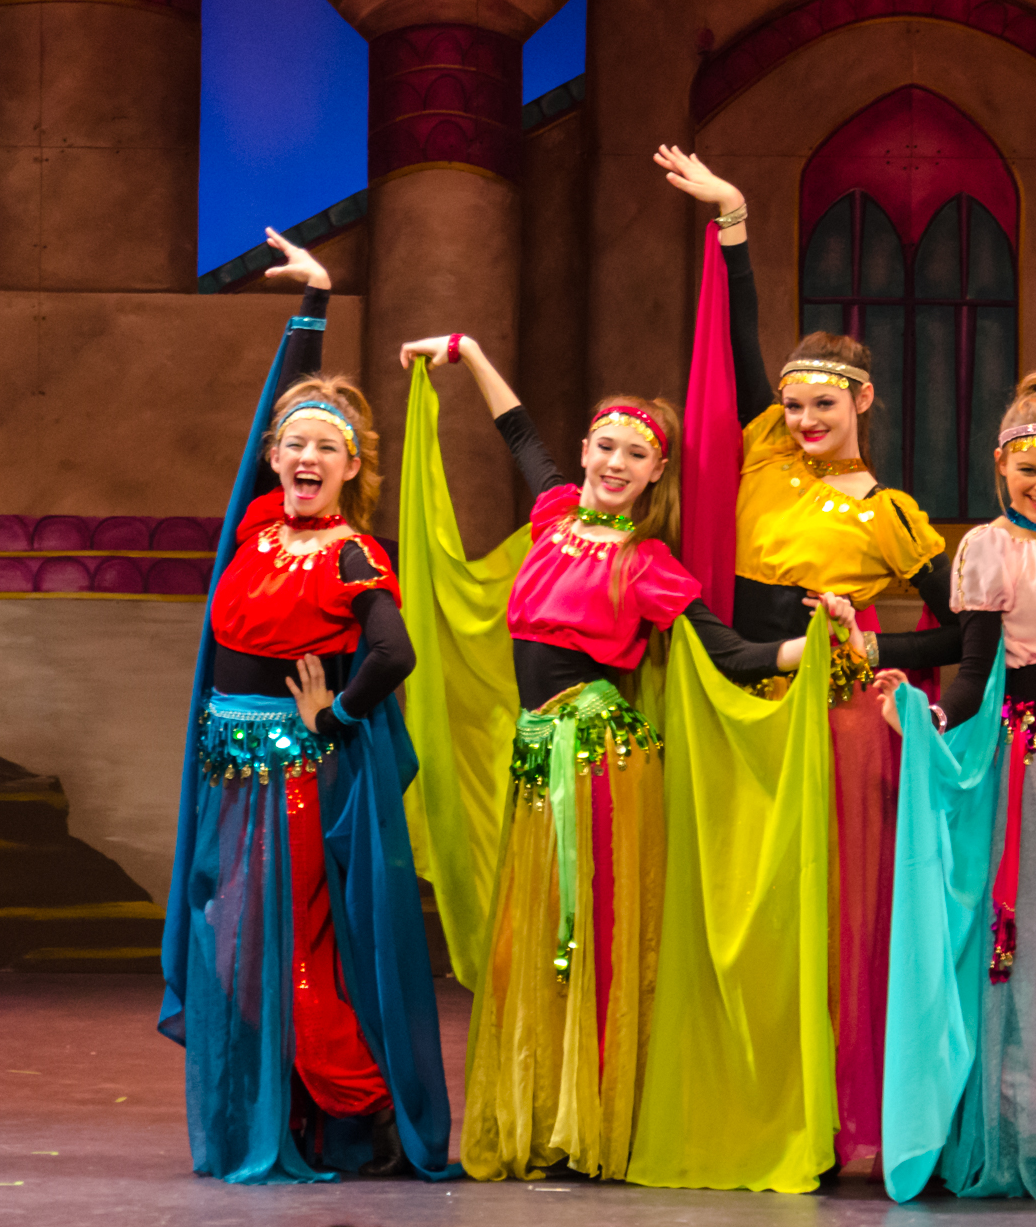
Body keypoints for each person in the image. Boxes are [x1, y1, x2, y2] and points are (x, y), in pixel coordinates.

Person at [394, 331, 865, 1182]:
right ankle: (550, 1113)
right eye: (605, 447)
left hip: (599, 764)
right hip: (540, 758)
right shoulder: (550, 516)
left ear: (657, 474)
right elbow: (518, 432)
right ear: (585, 452)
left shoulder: (650, 566)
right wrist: (464, 352)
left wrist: (829, 641)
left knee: (592, 938)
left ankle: (597, 1124)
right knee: (539, 944)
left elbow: (731, 655)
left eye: (636, 455)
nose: (616, 463)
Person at [654, 145, 963, 1173]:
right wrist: (732, 225)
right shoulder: (763, 457)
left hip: (832, 728)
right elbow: (740, 347)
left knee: (834, 918)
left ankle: (840, 1120)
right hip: (742, 710)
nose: (803, 419)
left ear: (863, 401)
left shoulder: (892, 514)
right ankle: (757, 1103)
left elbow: (965, 631)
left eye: (823, 404)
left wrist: (876, 645)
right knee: (752, 917)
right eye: (793, 405)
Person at [160, 230, 452, 1183]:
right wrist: (314, 303)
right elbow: (273, 414)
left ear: (352, 467)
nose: (306, 456)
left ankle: (360, 1102)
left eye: (328, 446)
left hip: (291, 779)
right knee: (232, 942)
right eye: (295, 444)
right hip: (228, 773)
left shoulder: (351, 552)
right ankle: (297, 1105)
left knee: (285, 950)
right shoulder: (255, 520)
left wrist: (334, 719)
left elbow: (395, 654)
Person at [873, 372, 1036, 1201]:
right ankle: (1030, 1135)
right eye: (1029, 470)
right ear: (1001, 465)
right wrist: (929, 723)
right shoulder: (988, 549)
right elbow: (974, 669)